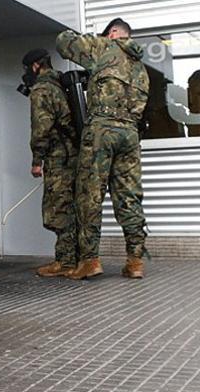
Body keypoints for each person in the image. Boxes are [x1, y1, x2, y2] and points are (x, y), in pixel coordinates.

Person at [56, 18, 150, 280]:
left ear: (113, 33)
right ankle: (135, 262)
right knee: (129, 196)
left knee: (89, 193)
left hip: (102, 130)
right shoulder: (141, 67)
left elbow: (63, 41)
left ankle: (89, 260)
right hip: (130, 133)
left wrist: (89, 35)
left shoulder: (103, 47)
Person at [22, 48, 80, 277]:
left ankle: (65, 261)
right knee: (71, 206)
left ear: (36, 66)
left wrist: (37, 159)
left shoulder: (41, 90)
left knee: (58, 208)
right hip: (72, 155)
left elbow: (41, 127)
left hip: (59, 157)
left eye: (28, 68)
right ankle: (75, 258)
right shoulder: (60, 86)